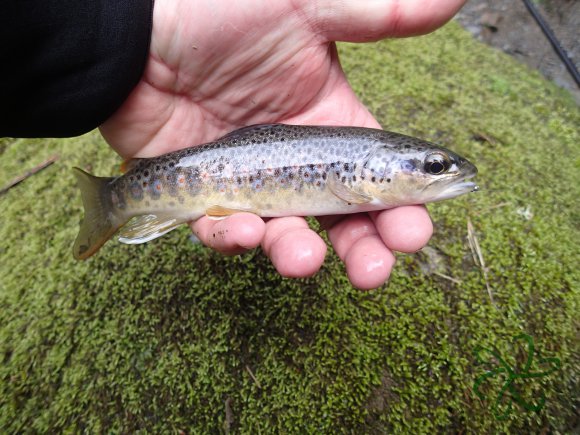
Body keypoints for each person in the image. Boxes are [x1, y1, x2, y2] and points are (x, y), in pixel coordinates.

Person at [0, 0, 466, 289]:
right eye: (434, 166)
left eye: (435, 166)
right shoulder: (359, 165)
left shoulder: (362, 163)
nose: (444, 172)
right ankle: (113, 200)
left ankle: (117, 200)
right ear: (372, 169)